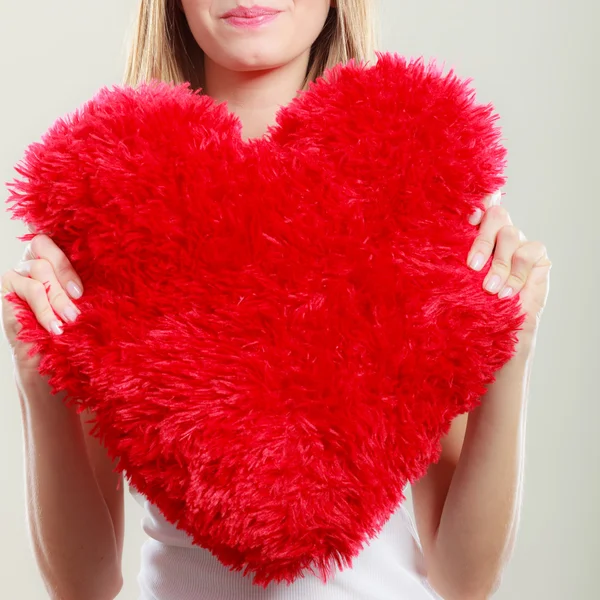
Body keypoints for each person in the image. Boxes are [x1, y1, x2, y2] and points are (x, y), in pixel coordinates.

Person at [0, 1, 552, 599]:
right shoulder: (109, 192)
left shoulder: (415, 176)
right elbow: (84, 586)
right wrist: (38, 376)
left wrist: (511, 344)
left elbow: (464, 579)